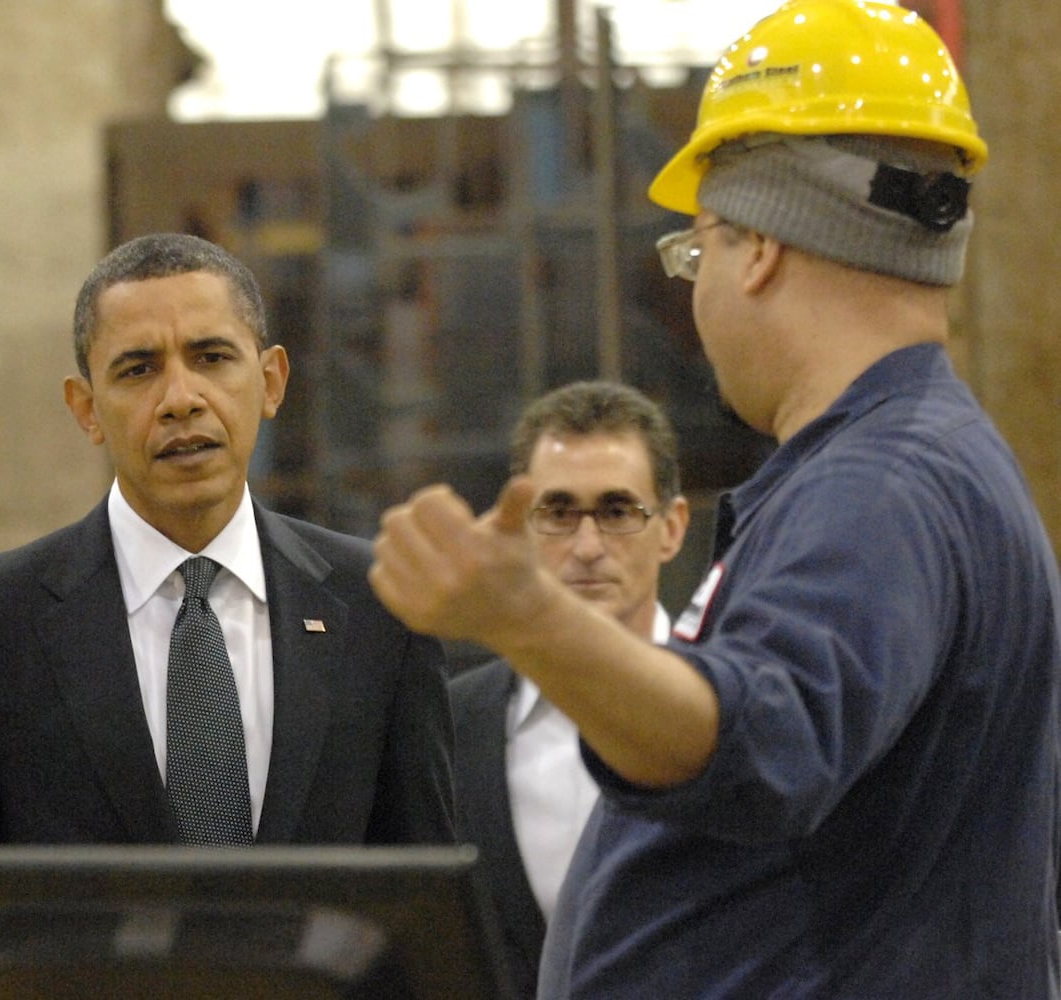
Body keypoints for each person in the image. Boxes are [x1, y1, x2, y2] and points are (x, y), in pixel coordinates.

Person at [368, 2, 1061, 996]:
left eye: (696, 254)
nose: (695, 296)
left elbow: (764, 740)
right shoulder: (906, 464)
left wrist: (529, 618)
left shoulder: (879, 488)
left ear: (762, 245)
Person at [0, 233, 455, 998]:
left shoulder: (383, 604)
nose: (180, 399)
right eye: (138, 370)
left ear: (270, 381)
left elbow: (432, 930)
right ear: (86, 408)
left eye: (211, 357)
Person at [450, 380, 688, 998]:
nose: (586, 547)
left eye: (616, 512)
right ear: (521, 527)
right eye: (558, 513)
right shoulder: (450, 725)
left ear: (672, 527)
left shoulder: (742, 709)